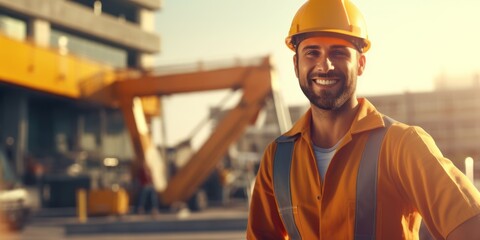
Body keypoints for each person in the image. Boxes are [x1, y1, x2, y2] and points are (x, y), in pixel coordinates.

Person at [246, 0, 480, 239]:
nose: (324, 65)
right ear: (296, 65)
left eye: (338, 52)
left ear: (360, 64)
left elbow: (472, 225)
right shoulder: (277, 159)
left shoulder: (402, 145)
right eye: (312, 52)